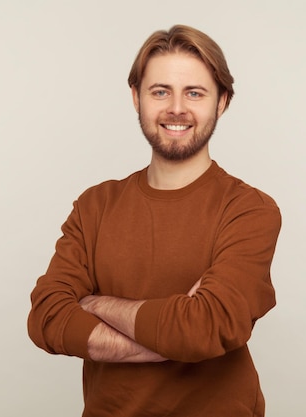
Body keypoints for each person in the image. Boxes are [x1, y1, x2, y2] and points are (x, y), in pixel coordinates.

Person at [28, 24, 281, 417]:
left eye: (194, 93)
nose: (176, 108)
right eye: (160, 91)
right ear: (136, 98)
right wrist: (172, 334)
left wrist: (95, 303)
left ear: (222, 102)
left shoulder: (249, 210)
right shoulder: (94, 206)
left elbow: (202, 328)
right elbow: (46, 315)